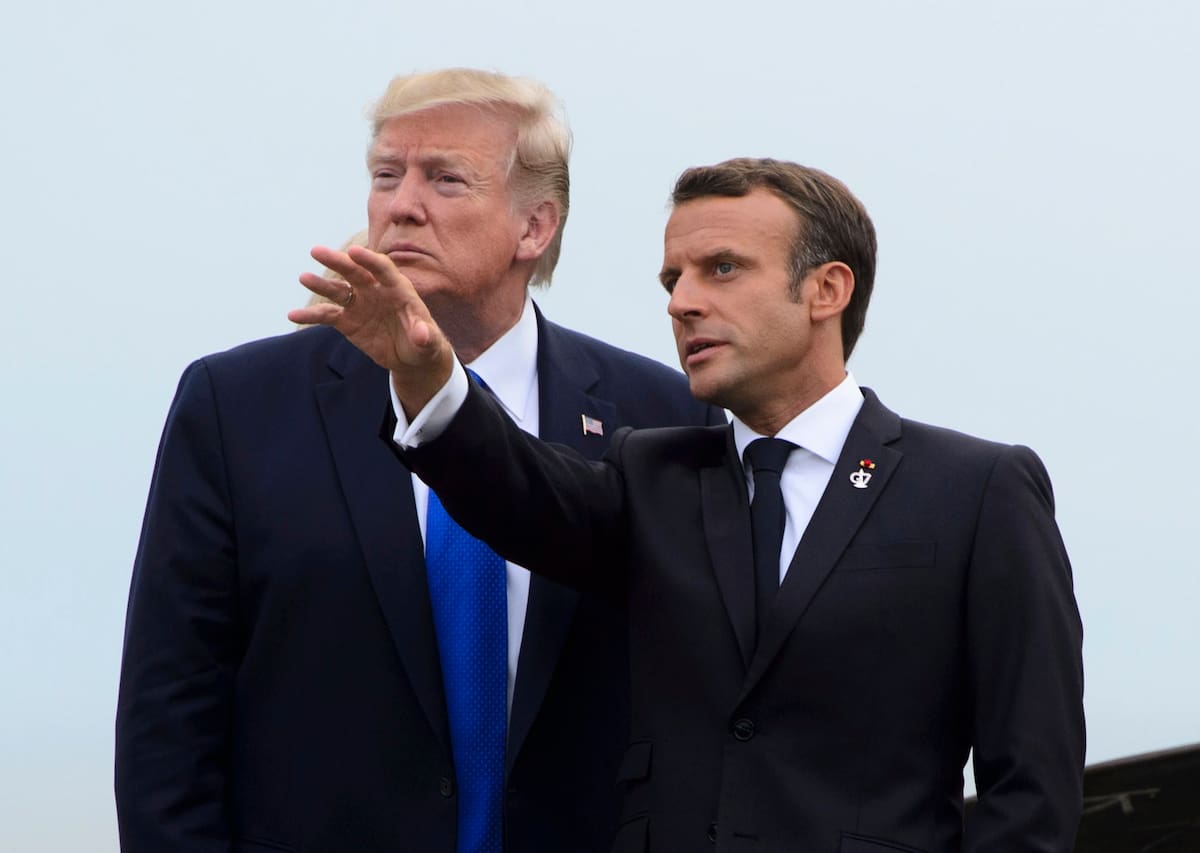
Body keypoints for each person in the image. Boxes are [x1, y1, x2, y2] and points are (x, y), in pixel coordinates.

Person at [294, 157, 1087, 851]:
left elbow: (1032, 787)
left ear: (827, 289)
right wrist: (428, 379)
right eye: (674, 279)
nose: (681, 302)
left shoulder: (978, 490)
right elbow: (518, 490)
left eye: (722, 269)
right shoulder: (652, 471)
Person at [115, 69, 723, 853]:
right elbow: (170, 716)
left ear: (534, 226)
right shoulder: (236, 405)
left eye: (444, 179)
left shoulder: (665, 414)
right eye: (385, 175)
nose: (401, 204)